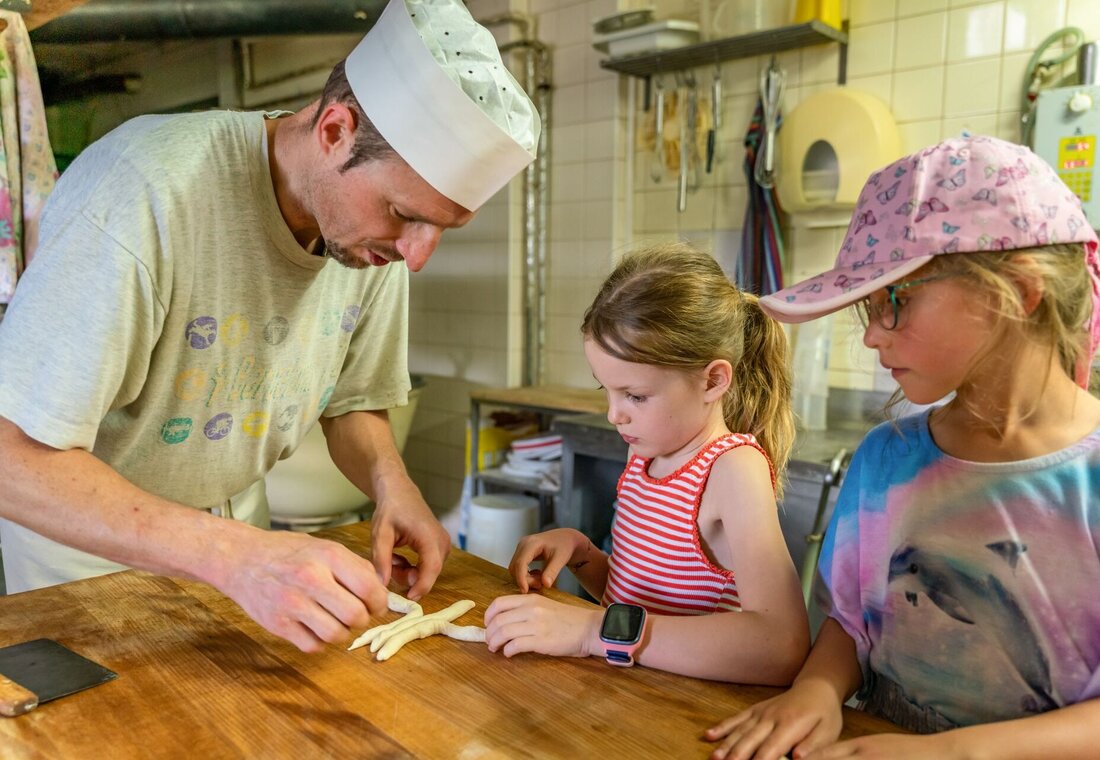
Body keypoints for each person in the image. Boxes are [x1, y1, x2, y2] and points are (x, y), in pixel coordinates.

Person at [0, 0, 540, 653]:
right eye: (402, 212)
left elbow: (353, 402)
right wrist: (234, 555)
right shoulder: (145, 191)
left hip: (235, 543)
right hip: (86, 562)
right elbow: (13, 460)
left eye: (441, 229)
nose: (417, 254)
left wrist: (390, 483)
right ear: (336, 129)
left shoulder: (375, 243)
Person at [705, 134, 1100, 759]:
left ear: (1020, 290)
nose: (872, 338)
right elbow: (851, 621)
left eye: (897, 301)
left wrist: (952, 754)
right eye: (869, 309)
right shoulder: (886, 459)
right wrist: (818, 689)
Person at [484, 244, 810, 683]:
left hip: (692, 711)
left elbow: (781, 646)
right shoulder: (645, 455)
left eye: (635, 396)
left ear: (712, 380)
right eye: (608, 390)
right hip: (632, 697)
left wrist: (590, 631)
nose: (614, 414)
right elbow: (640, 603)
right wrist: (584, 555)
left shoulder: (732, 468)